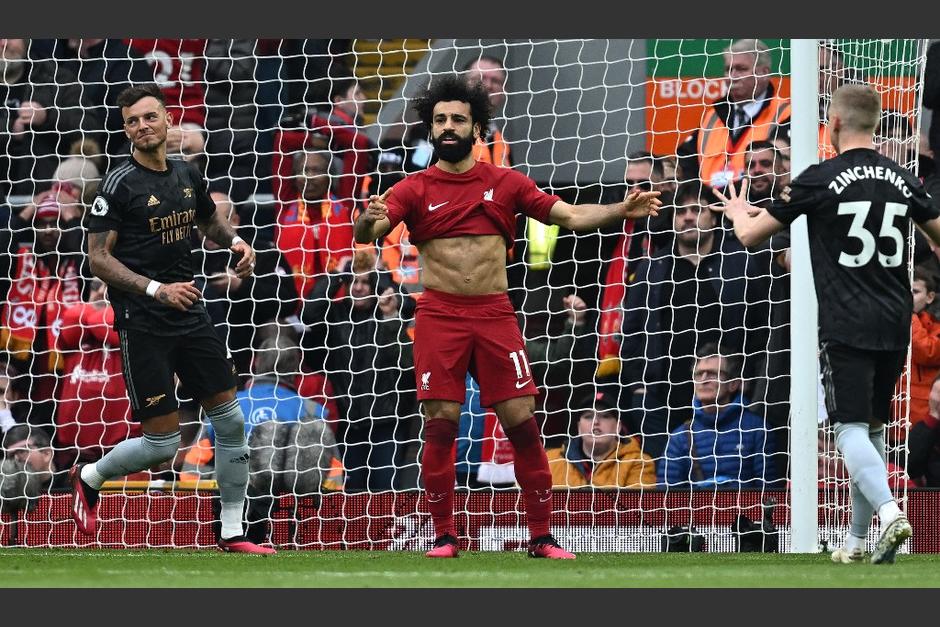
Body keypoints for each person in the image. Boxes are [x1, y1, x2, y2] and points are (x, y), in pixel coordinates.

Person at [353, 74, 661, 559]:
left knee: (523, 423)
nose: (448, 127)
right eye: (440, 120)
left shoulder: (508, 183)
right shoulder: (412, 188)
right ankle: (444, 536)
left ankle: (542, 536)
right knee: (440, 425)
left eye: (458, 119)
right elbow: (369, 226)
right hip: (439, 316)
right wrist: (367, 219)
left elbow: (571, 216)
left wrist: (624, 208)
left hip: (495, 315)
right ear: (430, 130)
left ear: (477, 128)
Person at [715, 83, 940, 565]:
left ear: (833, 123)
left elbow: (752, 235)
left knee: (847, 429)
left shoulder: (819, 178)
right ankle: (858, 543)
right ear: (876, 124)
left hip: (845, 320)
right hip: (896, 319)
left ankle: (889, 512)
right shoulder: (904, 179)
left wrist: (737, 211)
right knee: (874, 428)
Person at [72, 83, 273, 554]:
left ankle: (231, 531)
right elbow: (97, 259)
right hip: (143, 323)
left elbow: (207, 221)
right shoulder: (117, 185)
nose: (142, 126)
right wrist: (154, 288)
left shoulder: (187, 172)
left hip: (191, 314)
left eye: (148, 117)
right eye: (132, 121)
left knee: (230, 422)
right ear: (126, 131)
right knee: (163, 447)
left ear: (166, 120)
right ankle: (90, 476)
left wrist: (236, 244)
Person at [658, 343, 776, 489]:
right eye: (699, 374)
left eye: (713, 374)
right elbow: (666, 498)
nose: (704, 380)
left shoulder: (758, 430)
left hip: (747, 511)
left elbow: (770, 493)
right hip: (696, 512)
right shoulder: (679, 437)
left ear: (733, 384)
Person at [677, 38, 790, 190]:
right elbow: (685, 160)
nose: (732, 76)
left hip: (760, 206)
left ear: (764, 72)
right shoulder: (713, 115)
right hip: (712, 207)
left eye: (741, 69)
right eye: (728, 69)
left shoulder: (786, 113)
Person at [545, 389, 655, 489]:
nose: (596, 422)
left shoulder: (639, 463)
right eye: (588, 416)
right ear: (579, 427)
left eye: (605, 416)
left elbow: (636, 508)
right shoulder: (550, 460)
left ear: (618, 427)